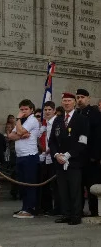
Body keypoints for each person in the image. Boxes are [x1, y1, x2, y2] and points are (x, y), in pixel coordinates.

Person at [50, 91, 92, 225]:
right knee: (63, 190)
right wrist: (56, 155)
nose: (66, 103)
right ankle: (66, 214)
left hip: (74, 161)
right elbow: (52, 141)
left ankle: (75, 215)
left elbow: (83, 141)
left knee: (74, 189)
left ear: (74, 102)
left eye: (69, 101)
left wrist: (68, 155)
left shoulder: (81, 119)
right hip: (59, 161)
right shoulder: (57, 119)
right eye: (64, 101)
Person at [8, 99, 42, 218]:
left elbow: (21, 131)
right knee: (22, 184)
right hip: (20, 156)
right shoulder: (22, 121)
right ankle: (24, 207)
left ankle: (30, 208)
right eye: (21, 109)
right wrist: (21, 136)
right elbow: (11, 135)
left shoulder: (32, 120)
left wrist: (17, 120)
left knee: (29, 183)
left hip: (30, 156)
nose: (23, 112)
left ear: (31, 109)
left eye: (25, 109)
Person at [76, 89, 101, 216]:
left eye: (82, 97)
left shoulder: (94, 113)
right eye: (78, 97)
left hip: (90, 158)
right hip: (78, 158)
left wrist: (95, 156)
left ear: (88, 99)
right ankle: (78, 210)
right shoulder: (76, 113)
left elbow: (97, 136)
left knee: (92, 186)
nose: (79, 99)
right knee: (78, 186)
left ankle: (94, 211)